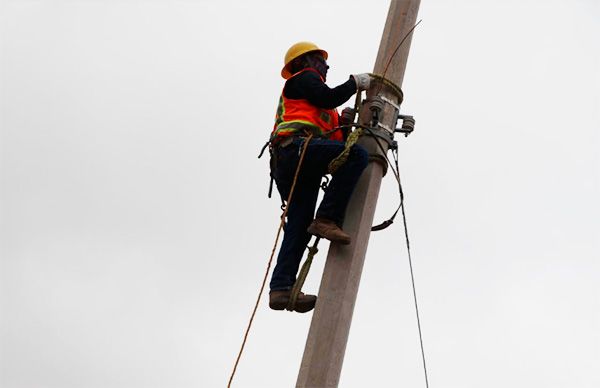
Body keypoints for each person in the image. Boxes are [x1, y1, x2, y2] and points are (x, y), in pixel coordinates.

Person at [268, 41, 371, 313]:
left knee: (299, 226)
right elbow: (329, 97)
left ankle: (280, 289)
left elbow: (339, 144)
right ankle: (327, 219)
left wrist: (346, 122)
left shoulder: (322, 109)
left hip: (297, 161)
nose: (326, 66)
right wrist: (355, 84)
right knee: (358, 156)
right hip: (295, 150)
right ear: (306, 62)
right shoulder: (303, 80)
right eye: (321, 60)